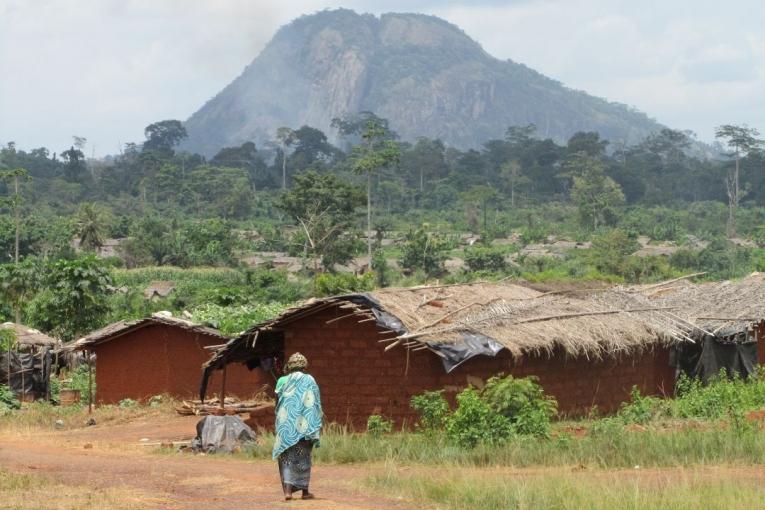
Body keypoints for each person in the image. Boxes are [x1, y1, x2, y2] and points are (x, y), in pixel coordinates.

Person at [273, 352, 323, 501]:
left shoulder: (282, 380)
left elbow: (277, 403)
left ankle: (288, 492)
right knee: (304, 458)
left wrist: (280, 421)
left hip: (286, 426)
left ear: (289, 367)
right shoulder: (310, 380)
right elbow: (315, 402)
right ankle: (304, 492)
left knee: (287, 458)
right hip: (305, 426)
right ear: (304, 366)